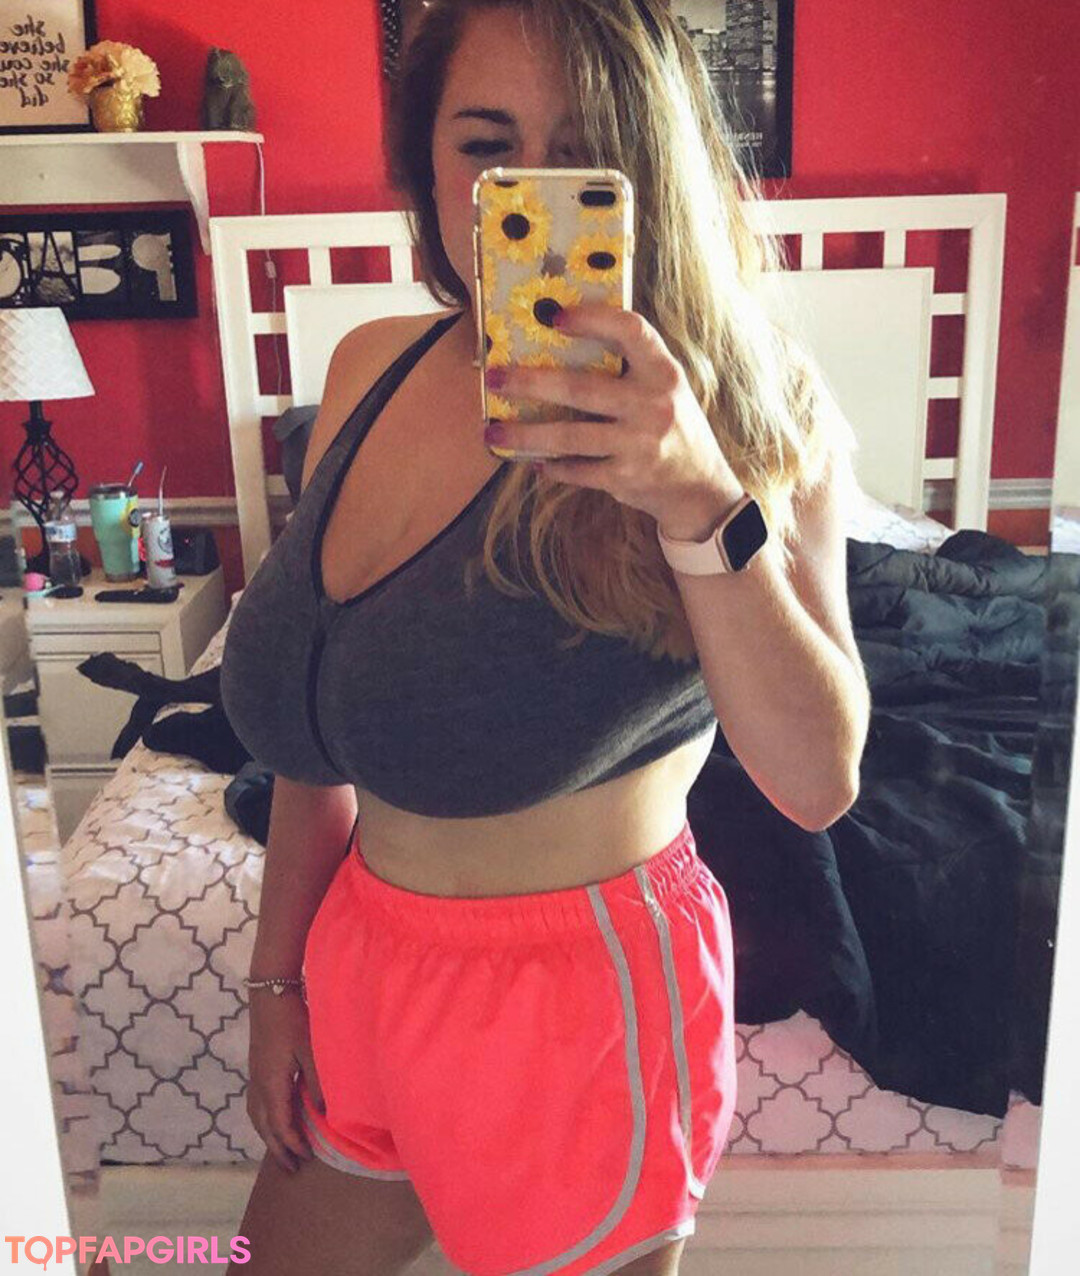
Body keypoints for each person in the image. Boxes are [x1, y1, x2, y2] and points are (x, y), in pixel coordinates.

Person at [222, 2, 870, 1273]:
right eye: (484, 147)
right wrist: (278, 979)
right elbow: (317, 734)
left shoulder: (753, 404)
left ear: (649, 169)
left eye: (579, 156)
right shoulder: (365, 368)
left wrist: (697, 499)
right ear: (427, 168)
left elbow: (818, 778)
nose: (521, 197)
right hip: (360, 965)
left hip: (575, 1008)